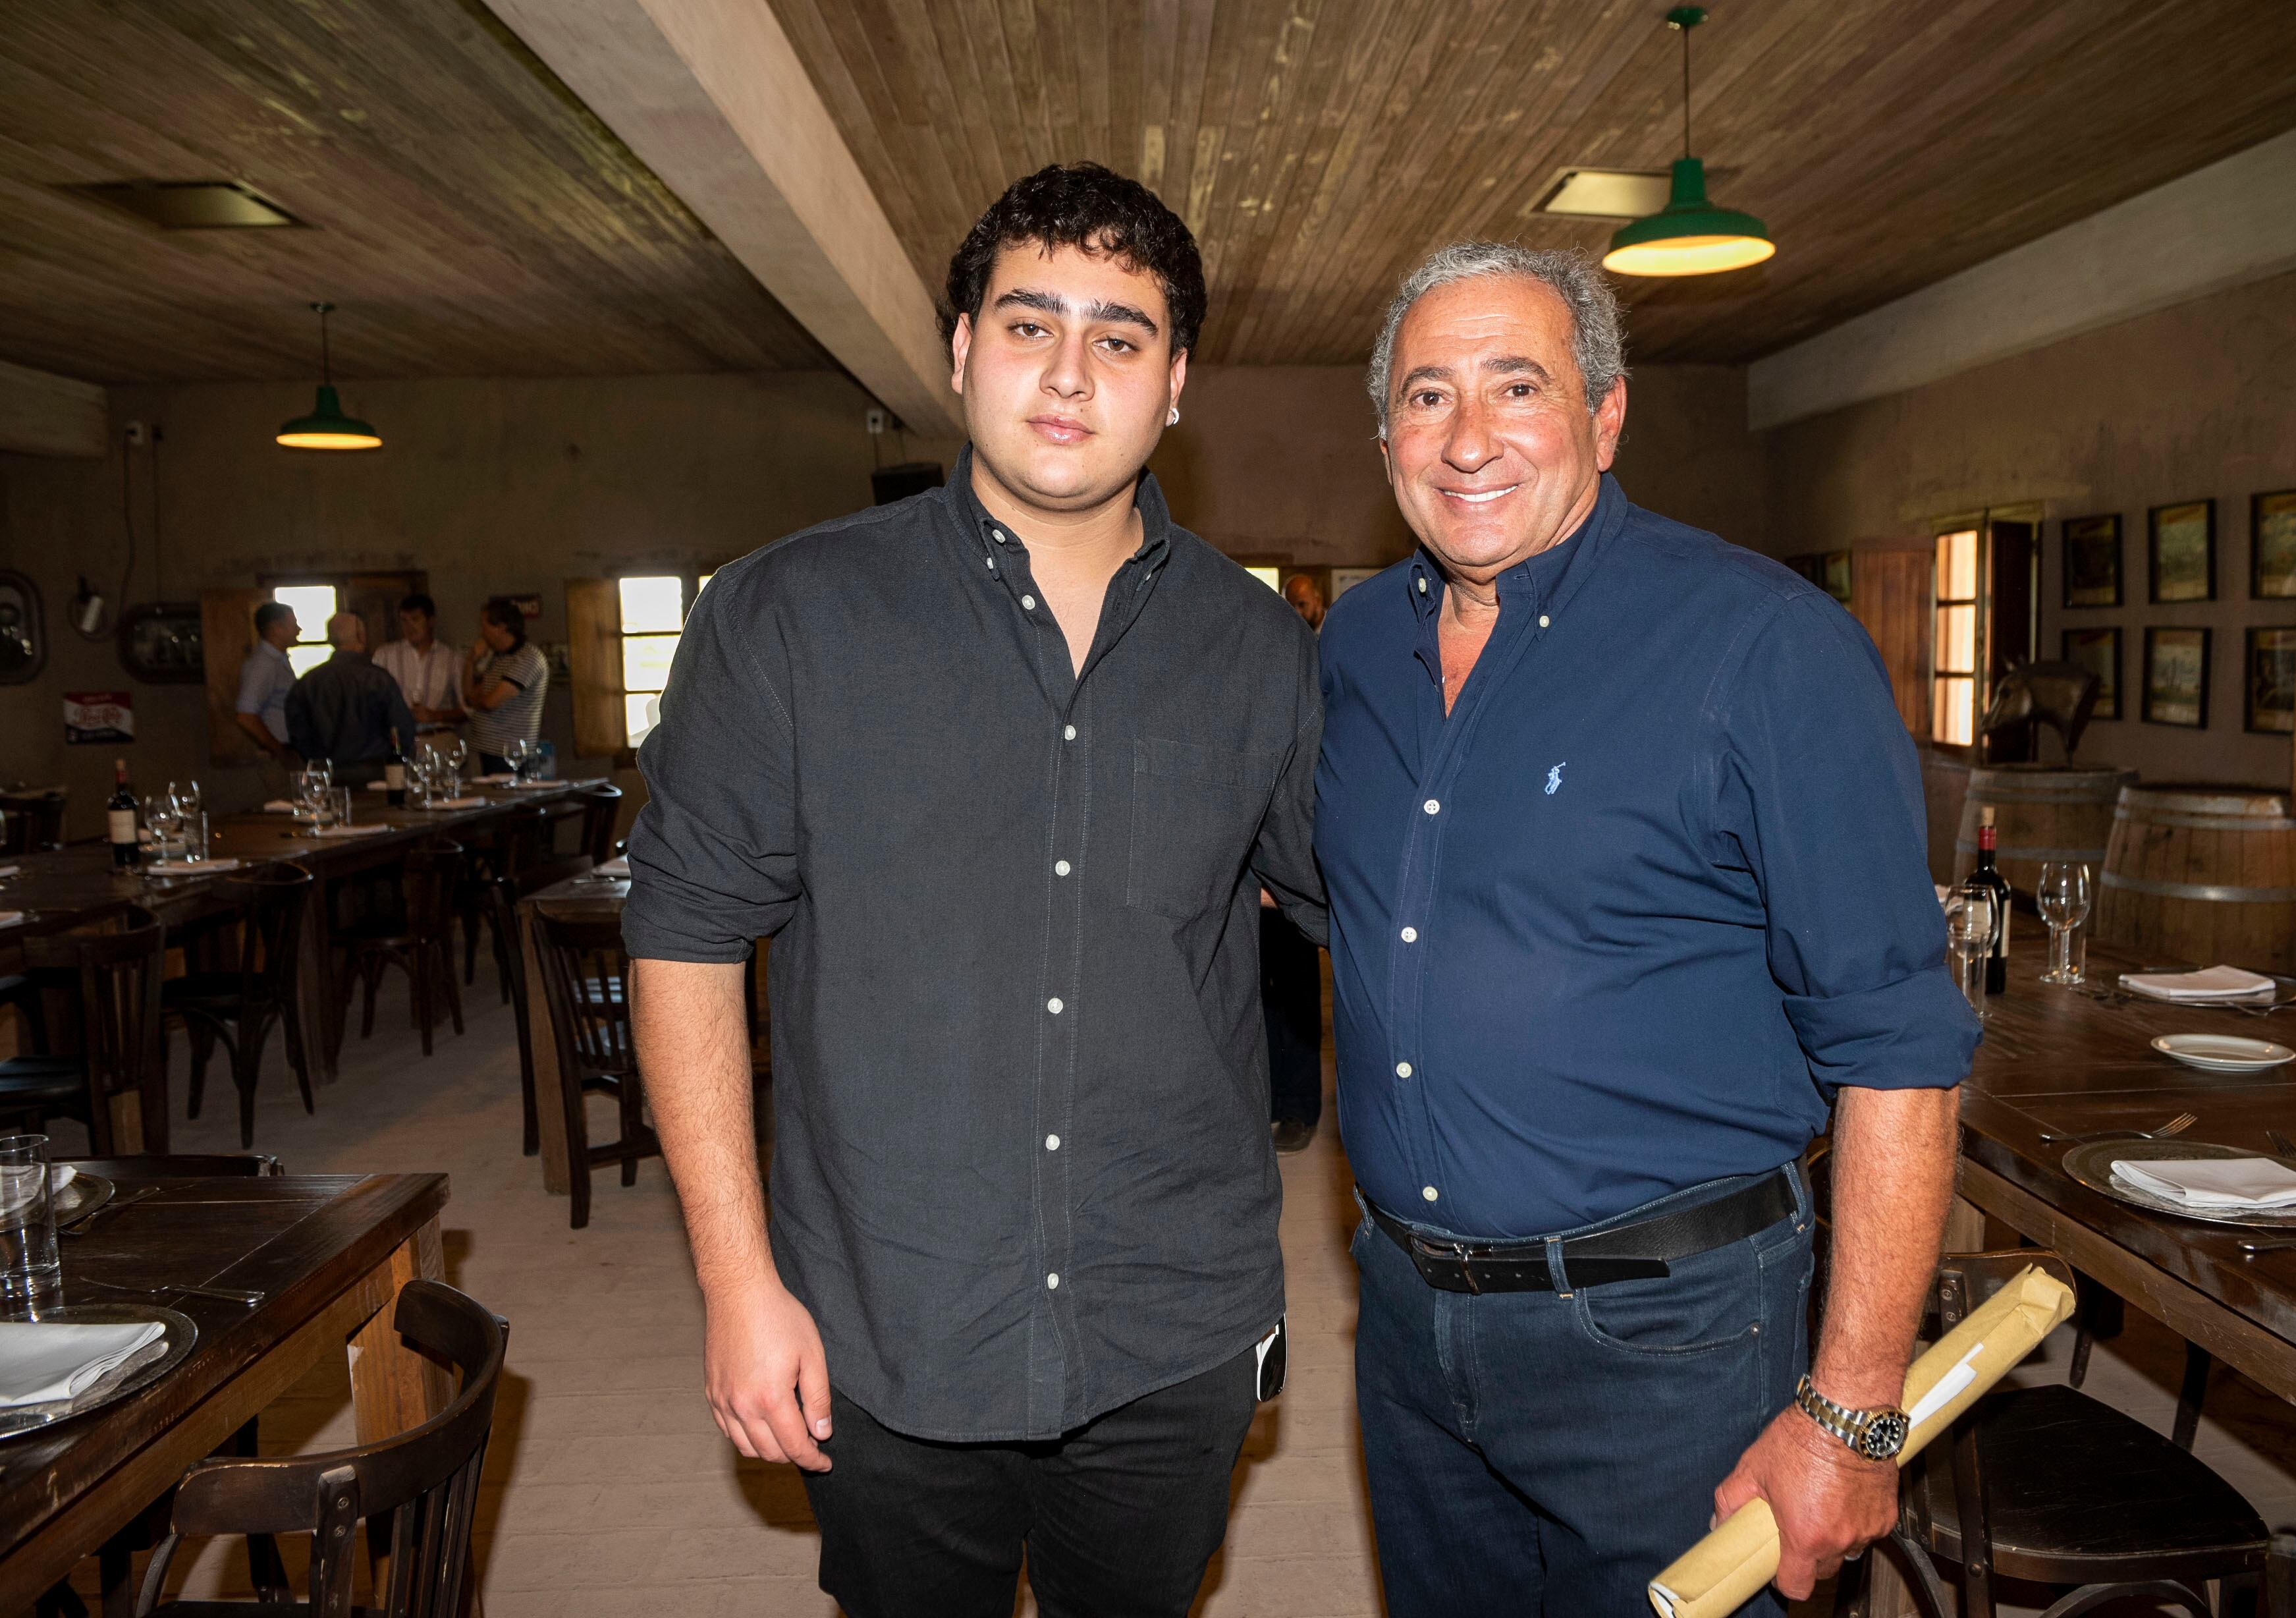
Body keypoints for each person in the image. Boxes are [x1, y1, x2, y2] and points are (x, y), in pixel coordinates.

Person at [620, 162, 1323, 1618]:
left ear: (1176, 381)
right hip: (884, 1312)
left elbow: (1368, 910)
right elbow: (683, 943)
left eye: (1120, 337)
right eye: (1028, 325)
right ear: (958, 349)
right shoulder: (784, 615)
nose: (1070, 374)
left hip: (1169, 1313)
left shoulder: (1263, 650)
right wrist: (737, 1287)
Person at [1315, 243, 1979, 1617]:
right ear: (1386, 436)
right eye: (1427, 397)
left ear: (1606, 419)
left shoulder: (1764, 646)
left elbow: (1900, 1046)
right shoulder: (1355, 645)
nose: (1469, 438)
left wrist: (1853, 1409)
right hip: (1405, 1324)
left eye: (1517, 386)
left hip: (1666, 1339)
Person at [1265, 572, 1328, 1153]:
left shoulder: (1330, 657)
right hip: (1257, 853)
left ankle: (1299, 1108)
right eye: (1291, 600)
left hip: (1298, 849)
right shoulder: (1273, 656)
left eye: (1304, 601)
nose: (1296, 608)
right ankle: (1265, 1098)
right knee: (1257, 991)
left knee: (1296, 990)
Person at [283, 612, 416, 787]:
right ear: (361, 637)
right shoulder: (378, 679)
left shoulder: (308, 683)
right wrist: (400, 764)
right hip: (378, 773)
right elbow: (402, 729)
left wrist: (317, 760)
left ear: (331, 640)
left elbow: (298, 734)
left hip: (328, 775)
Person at [460, 597, 547, 775]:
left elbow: (492, 702)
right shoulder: (499, 658)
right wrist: (470, 662)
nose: (482, 633)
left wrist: (479, 701)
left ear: (501, 627)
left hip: (510, 756)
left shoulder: (528, 658)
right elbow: (469, 696)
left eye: (485, 627)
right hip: (489, 751)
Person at [373, 592, 462, 740]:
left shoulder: (451, 658)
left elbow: (467, 709)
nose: (409, 627)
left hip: (438, 738)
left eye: (415, 619)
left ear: (431, 621)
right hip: (398, 740)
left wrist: (435, 716)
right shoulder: (385, 655)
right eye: (404, 621)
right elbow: (371, 701)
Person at [232, 600, 300, 781]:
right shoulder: (263, 665)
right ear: (277, 629)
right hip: (277, 756)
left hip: (285, 751)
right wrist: (279, 750)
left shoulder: (278, 661)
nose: (299, 629)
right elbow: (246, 716)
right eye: (293, 624)